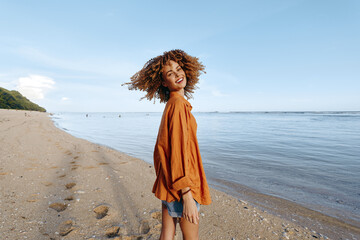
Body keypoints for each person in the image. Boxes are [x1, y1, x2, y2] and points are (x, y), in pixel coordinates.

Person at [124, 49, 211, 240]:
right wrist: (187, 194)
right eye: (170, 73)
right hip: (183, 184)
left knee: (167, 233)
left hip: (169, 180)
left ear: (186, 70)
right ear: (163, 82)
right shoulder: (178, 105)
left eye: (179, 69)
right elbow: (178, 151)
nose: (177, 74)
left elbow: (163, 149)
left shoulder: (172, 104)